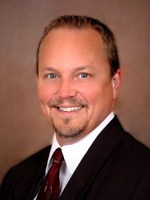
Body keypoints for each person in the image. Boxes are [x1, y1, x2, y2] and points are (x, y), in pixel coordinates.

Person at [0, 15, 150, 200]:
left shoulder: (144, 180)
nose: (65, 93)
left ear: (115, 83)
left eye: (83, 75)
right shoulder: (16, 178)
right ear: (37, 80)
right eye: (52, 75)